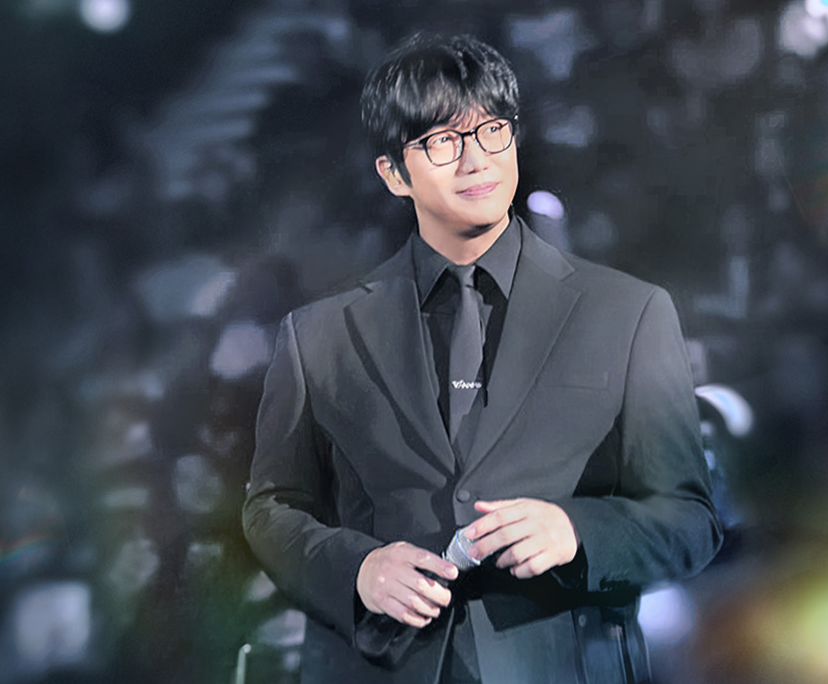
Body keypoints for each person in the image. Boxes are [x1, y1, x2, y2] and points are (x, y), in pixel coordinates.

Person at [243, 33, 722, 684]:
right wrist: (357, 569)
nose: (476, 161)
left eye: (492, 131)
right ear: (393, 173)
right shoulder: (319, 333)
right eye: (443, 141)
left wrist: (577, 531)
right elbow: (271, 506)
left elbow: (691, 519)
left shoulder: (629, 313)